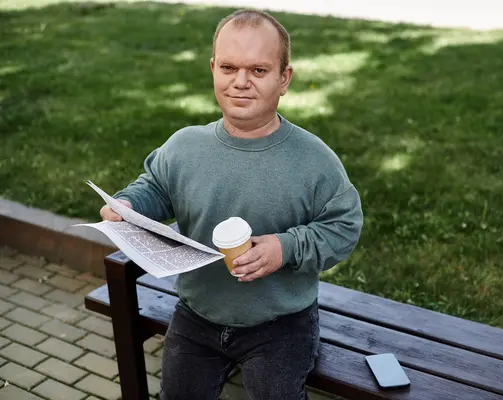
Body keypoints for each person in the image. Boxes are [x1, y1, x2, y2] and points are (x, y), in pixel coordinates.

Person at [100, 8, 363, 400]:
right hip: (196, 315)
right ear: (212, 69)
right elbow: (154, 187)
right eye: (228, 67)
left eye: (258, 70)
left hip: (281, 323)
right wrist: (127, 205)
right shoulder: (185, 146)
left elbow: (343, 227)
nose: (240, 82)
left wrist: (284, 248)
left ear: (284, 78)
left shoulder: (314, 160)